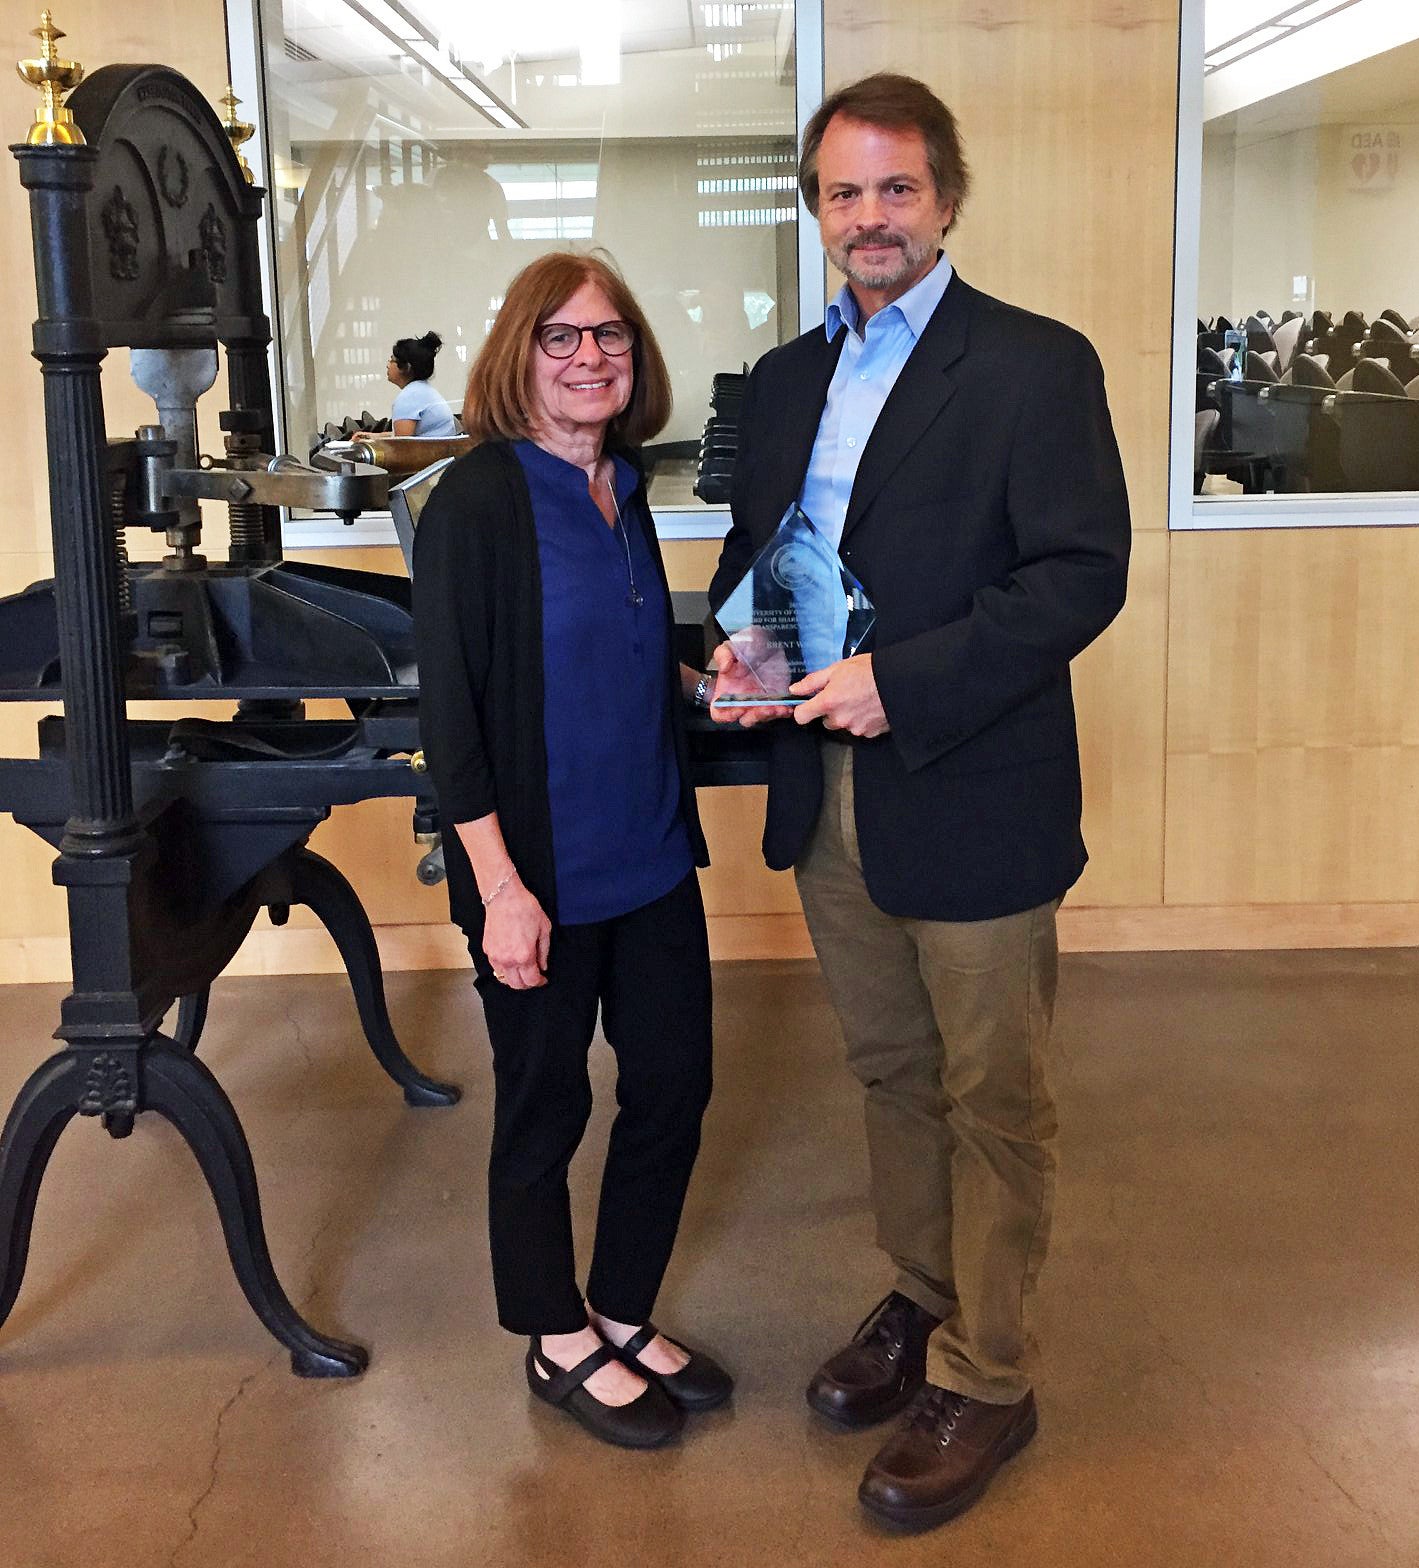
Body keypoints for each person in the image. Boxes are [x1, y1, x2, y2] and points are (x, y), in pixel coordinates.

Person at [708, 73, 1130, 1528]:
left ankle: (990, 1377)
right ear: (813, 208)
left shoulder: (1030, 364)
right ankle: (921, 1296)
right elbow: (780, 562)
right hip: (820, 789)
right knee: (891, 1074)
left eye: (895, 187)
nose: (869, 216)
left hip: (968, 781)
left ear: (945, 197)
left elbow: (1078, 576)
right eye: (843, 191)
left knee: (990, 1095)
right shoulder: (777, 385)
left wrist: (911, 680)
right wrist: (752, 644)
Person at [412, 252, 732, 1449]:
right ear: (518, 356)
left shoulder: (625, 486)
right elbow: (456, 720)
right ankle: (554, 1332)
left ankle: (621, 1305)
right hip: (536, 875)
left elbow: (630, 645)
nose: (591, 357)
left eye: (612, 338)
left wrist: (710, 677)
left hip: (649, 855)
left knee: (673, 1086)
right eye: (562, 338)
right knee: (545, 1108)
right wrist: (498, 890)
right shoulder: (479, 502)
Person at [387, 330, 459, 436]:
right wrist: (373, 437)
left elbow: (402, 446)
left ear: (406, 367)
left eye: (392, 360)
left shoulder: (409, 397)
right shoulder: (421, 391)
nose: (388, 365)